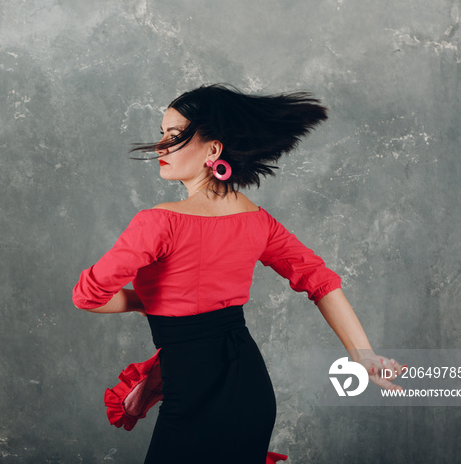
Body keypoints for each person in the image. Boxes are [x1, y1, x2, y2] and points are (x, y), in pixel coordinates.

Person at [72, 84, 404, 463]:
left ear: (213, 150)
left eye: (174, 135)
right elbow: (320, 280)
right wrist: (363, 355)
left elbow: (87, 296)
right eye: (161, 134)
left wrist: (145, 302)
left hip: (193, 396)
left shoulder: (158, 223)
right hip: (250, 392)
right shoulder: (257, 222)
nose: (161, 146)